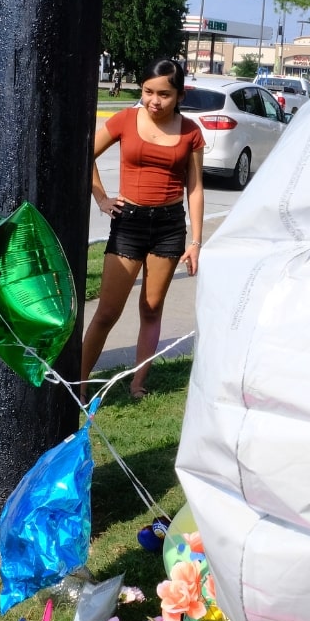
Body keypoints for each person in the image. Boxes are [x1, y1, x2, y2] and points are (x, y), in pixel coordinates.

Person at [80, 58, 204, 401]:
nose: (154, 101)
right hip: (129, 223)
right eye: (149, 92)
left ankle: (138, 383)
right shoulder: (125, 120)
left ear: (179, 95)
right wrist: (101, 198)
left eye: (164, 94)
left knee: (151, 308)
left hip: (169, 226)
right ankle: (80, 382)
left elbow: (195, 188)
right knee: (108, 311)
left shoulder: (190, 132)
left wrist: (195, 241)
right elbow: (85, 154)